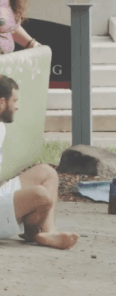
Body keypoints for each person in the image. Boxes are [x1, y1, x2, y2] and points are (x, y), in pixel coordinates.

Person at [0, 75, 78, 250]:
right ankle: (31, 228)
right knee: (40, 195)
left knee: (47, 173)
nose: (17, 106)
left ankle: (47, 231)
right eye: (15, 100)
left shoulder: (1, 127)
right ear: (2, 102)